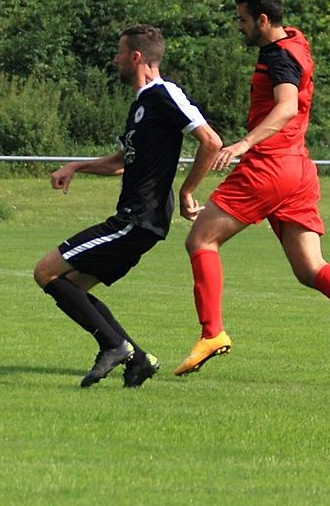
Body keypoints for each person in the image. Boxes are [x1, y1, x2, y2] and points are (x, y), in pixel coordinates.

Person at [174, 0, 330, 384]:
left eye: (243, 20)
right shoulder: (297, 40)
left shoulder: (278, 57)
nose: (238, 27)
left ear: (263, 20)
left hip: (269, 167)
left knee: (201, 240)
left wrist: (245, 142)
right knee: (311, 268)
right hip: (298, 170)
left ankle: (212, 333)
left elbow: (287, 106)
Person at [34, 24, 223, 388]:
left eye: (119, 52)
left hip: (138, 217)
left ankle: (115, 346)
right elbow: (121, 161)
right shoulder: (140, 104)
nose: (115, 59)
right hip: (138, 217)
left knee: (45, 272)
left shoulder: (163, 93)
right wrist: (76, 167)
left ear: (136, 57)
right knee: (73, 286)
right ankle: (136, 359)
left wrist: (187, 192)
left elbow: (210, 142)